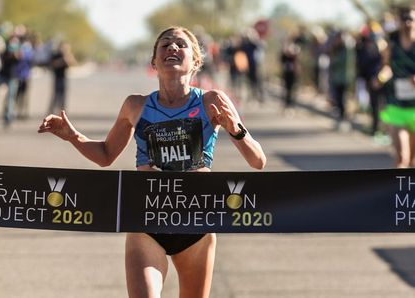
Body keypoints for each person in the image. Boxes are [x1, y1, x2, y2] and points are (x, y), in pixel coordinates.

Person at [38, 26, 266, 298]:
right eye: (165, 45)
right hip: (147, 218)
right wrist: (73, 136)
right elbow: (106, 154)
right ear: (154, 62)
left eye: (181, 44)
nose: (172, 48)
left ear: (196, 61)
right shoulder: (136, 106)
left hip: (195, 222)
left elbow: (257, 161)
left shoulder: (212, 101)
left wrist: (235, 130)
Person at [378, 6, 415, 168]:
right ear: (399, 22)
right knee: (402, 158)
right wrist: (381, 77)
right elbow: (386, 66)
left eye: (411, 19)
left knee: (413, 160)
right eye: (404, 19)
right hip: (396, 105)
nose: (408, 23)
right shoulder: (392, 42)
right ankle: (398, 193)